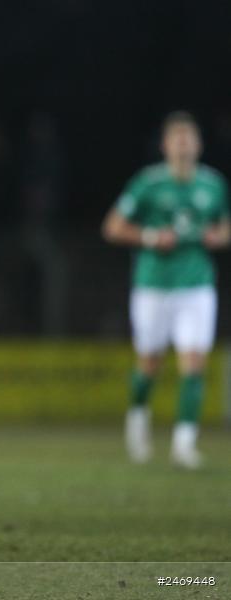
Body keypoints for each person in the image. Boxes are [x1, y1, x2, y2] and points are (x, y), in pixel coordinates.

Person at [102, 111, 230, 469]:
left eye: (189, 139)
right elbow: (112, 226)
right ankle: (138, 414)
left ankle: (184, 444)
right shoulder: (148, 184)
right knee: (150, 364)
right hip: (153, 285)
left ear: (199, 145)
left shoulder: (213, 184)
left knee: (194, 364)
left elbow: (225, 226)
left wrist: (218, 237)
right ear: (165, 145)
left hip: (197, 285)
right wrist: (150, 237)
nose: (184, 145)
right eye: (177, 139)